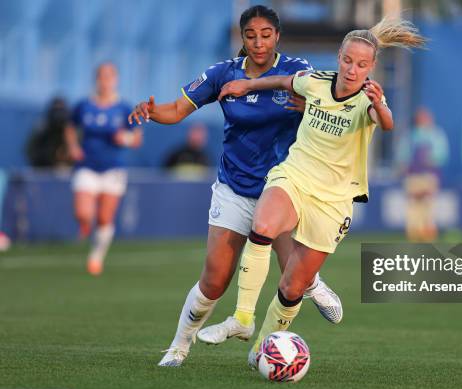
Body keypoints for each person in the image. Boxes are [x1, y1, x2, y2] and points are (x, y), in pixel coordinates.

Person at [128, 5, 343, 367]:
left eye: (265, 35)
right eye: (250, 35)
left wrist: (309, 106)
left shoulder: (296, 70)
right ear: (241, 38)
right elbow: (178, 109)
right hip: (234, 187)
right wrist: (151, 111)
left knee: (292, 273)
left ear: (277, 36)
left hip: (282, 187)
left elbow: (329, 104)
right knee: (214, 281)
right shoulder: (222, 73)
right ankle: (179, 346)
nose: (258, 42)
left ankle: (309, 283)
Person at [206, 16, 425, 365]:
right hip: (295, 177)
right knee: (261, 228)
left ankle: (263, 347)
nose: (353, 69)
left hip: (334, 201)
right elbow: (282, 79)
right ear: (339, 57)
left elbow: (387, 123)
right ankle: (242, 319)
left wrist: (382, 104)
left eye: (362, 64)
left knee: (292, 286)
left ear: (372, 67)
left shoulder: (368, 100)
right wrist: (246, 87)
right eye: (348, 61)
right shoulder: (316, 82)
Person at [65, 62, 143, 275]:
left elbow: (136, 138)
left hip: (112, 169)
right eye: (102, 76)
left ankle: (96, 256)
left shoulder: (124, 108)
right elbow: (70, 128)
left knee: (105, 218)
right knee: (83, 212)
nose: (105, 81)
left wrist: (124, 138)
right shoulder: (83, 105)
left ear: (115, 80)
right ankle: (84, 225)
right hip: (87, 166)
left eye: (109, 77)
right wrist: (73, 147)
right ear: (96, 79)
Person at [395, 107, 448, 241]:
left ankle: (428, 233)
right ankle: (414, 234)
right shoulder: (409, 136)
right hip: (413, 177)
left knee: (428, 206)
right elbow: (402, 157)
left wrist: (429, 162)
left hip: (429, 176)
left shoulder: (436, 135)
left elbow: (441, 155)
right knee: (413, 207)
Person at [26, 97, 72, 169]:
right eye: (56, 111)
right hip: (43, 171)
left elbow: (76, 154)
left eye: (61, 111)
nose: (58, 115)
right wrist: (48, 158)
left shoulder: (70, 131)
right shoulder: (42, 129)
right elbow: (30, 151)